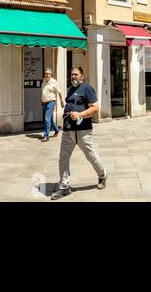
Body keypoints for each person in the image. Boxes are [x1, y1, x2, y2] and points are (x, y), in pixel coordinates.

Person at [50, 65, 106, 200]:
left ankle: (102, 175)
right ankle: (64, 186)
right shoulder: (70, 89)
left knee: (90, 155)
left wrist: (80, 114)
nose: (73, 76)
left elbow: (95, 108)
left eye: (76, 74)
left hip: (83, 130)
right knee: (63, 157)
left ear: (82, 76)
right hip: (68, 130)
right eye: (72, 74)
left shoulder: (87, 88)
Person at [39, 68, 64, 142]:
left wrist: (62, 100)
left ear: (51, 74)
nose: (46, 75)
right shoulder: (43, 81)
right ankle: (56, 130)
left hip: (51, 102)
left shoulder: (54, 82)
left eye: (48, 73)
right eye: (45, 73)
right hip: (44, 102)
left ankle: (46, 136)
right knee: (50, 119)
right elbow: (43, 91)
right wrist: (41, 100)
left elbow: (59, 92)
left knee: (47, 119)